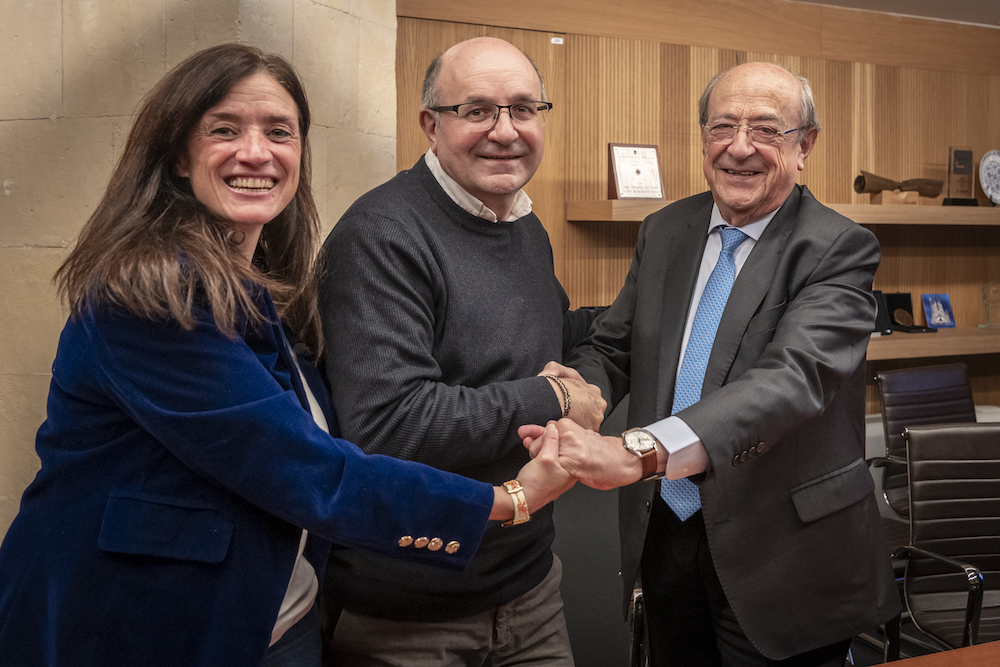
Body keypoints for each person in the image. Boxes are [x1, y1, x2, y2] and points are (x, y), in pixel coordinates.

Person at [0, 43, 575, 667]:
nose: (256, 152)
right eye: (224, 130)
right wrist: (510, 499)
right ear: (177, 156)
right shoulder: (152, 297)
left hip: (276, 613)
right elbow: (308, 468)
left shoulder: (261, 279)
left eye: (279, 131)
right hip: (147, 624)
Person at [521, 62, 901, 666]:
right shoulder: (665, 230)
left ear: (805, 146)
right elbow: (615, 345)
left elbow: (792, 378)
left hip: (785, 553)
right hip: (666, 532)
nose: (739, 147)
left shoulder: (839, 246)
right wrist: (575, 397)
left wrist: (639, 451)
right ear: (703, 138)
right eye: (723, 126)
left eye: (766, 130)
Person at [316, 36, 603, 667]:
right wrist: (555, 397)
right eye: (477, 110)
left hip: (529, 588)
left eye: (523, 109)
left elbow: (549, 336)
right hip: (409, 614)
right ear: (430, 124)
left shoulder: (523, 224)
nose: (505, 131)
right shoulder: (380, 236)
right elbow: (393, 424)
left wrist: (654, 310)